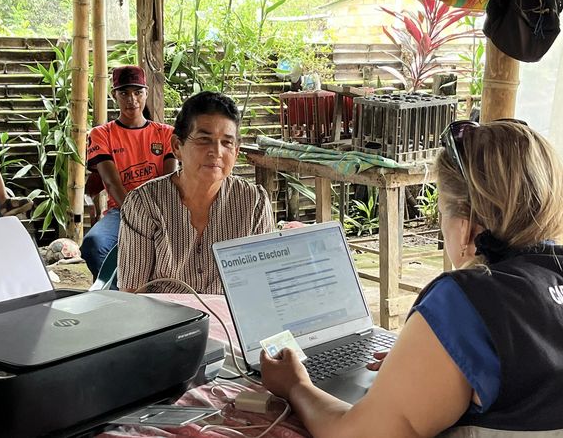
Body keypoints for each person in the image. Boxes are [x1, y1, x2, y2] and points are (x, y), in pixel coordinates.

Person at [261, 120, 563, 436]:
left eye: (442, 210)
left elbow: (358, 434)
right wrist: (427, 360)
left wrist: (295, 385)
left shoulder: (464, 302)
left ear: (466, 225)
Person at [117, 91, 275, 294]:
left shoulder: (254, 202)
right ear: (177, 146)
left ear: (236, 152)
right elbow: (132, 292)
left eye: (227, 143)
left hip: (228, 314)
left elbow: (263, 286)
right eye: (203, 139)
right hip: (162, 313)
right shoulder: (144, 203)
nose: (216, 152)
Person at [80, 65, 177, 279]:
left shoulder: (166, 134)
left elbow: (169, 181)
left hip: (162, 211)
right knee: (93, 245)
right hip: (121, 211)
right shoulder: (101, 134)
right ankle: (122, 292)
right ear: (114, 95)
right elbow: (111, 183)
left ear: (146, 93)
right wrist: (137, 215)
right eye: (124, 93)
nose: (131, 99)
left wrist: (156, 216)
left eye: (137, 92)